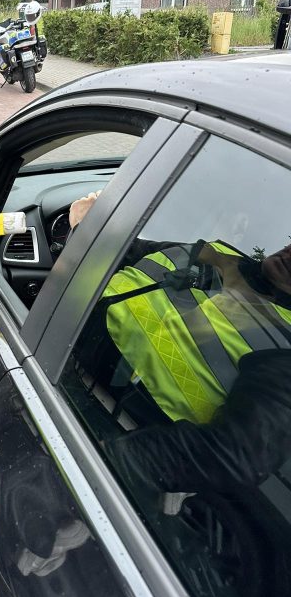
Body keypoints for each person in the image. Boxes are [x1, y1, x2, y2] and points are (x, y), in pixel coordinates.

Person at [69, 194, 291, 494]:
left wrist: (97, 465)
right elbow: (129, 251)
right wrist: (89, 226)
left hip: (106, 432)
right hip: (60, 359)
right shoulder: (217, 254)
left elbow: (231, 457)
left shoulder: (284, 344)